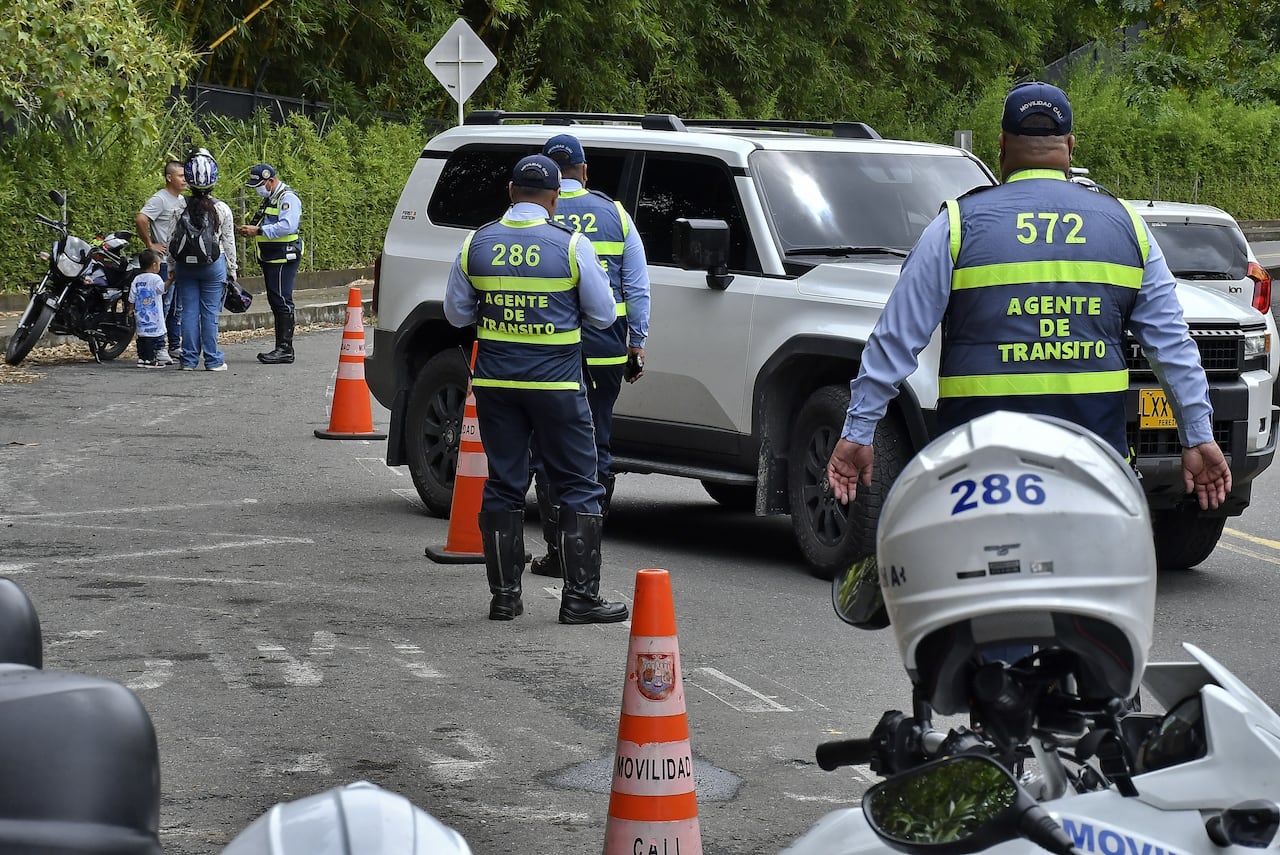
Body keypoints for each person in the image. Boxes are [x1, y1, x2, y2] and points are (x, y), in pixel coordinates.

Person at [826, 81, 1232, 515]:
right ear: (1070, 147)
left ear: (1001, 147)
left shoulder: (958, 226)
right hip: (1094, 468)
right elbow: (1172, 346)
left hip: (977, 475)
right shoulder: (1127, 226)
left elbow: (895, 339)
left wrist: (858, 431)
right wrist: (1198, 435)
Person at [443, 154, 629, 625]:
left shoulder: (475, 244)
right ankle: (580, 598)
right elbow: (605, 315)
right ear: (553, 198)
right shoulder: (571, 246)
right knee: (578, 485)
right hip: (557, 385)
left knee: (504, 484)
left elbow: (457, 315)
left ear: (510, 192)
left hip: (495, 384)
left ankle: (504, 598)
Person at [528, 133, 651, 579]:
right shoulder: (615, 213)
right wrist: (636, 343)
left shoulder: (537, 214)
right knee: (595, 446)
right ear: (584, 170)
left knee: (546, 447)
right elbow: (637, 286)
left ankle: (556, 552)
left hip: (551, 354)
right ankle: (587, 551)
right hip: (603, 353)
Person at [168, 148, 238, 372]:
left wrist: (171, 267)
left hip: (184, 266)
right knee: (209, 313)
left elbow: (171, 238)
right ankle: (213, 360)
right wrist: (232, 269)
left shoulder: (179, 206)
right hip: (212, 266)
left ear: (188, 180)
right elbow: (228, 243)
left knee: (188, 311)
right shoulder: (221, 208)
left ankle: (188, 360)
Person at [237, 163, 303, 365]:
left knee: (282, 301)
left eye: (260, 185)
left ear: (271, 181)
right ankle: (282, 347)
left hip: (284, 257)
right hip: (273, 257)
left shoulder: (287, 198)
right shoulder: (271, 198)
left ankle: (285, 349)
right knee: (277, 301)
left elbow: (287, 226)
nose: (258, 189)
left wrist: (257, 231)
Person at [135, 160, 187, 362]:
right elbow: (141, 218)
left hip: (179, 261)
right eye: (181, 176)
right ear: (169, 177)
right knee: (162, 305)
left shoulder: (182, 200)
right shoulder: (160, 199)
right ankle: (158, 347)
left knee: (177, 307)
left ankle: (175, 345)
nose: (184, 179)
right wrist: (150, 243)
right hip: (164, 262)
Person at [129, 249, 167, 368]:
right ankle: (150, 359)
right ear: (154, 265)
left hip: (140, 313)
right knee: (153, 338)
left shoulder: (137, 279)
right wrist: (170, 280)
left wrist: (131, 308)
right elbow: (162, 289)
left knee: (142, 337)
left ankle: (142, 358)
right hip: (154, 315)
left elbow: (132, 295)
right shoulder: (156, 279)